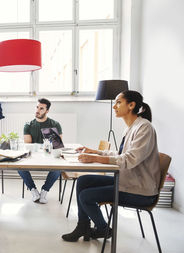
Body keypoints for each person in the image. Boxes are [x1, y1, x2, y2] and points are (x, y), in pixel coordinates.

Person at [62, 90, 160, 242]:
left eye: (118, 102)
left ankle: (103, 229)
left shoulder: (144, 128)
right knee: (83, 181)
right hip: (127, 181)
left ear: (131, 105)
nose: (114, 106)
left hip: (139, 190)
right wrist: (96, 152)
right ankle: (83, 226)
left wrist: (94, 158)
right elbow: (120, 154)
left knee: (85, 196)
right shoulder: (131, 127)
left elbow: (129, 159)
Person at [18, 98, 62, 204]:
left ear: (47, 111)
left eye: (41, 108)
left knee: (59, 168)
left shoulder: (55, 124)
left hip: (49, 156)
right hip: (33, 157)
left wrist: (47, 146)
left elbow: (57, 146)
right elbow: (28, 145)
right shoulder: (28, 125)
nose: (37, 110)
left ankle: (44, 191)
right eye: (37, 107)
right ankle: (33, 190)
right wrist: (45, 145)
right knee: (19, 166)